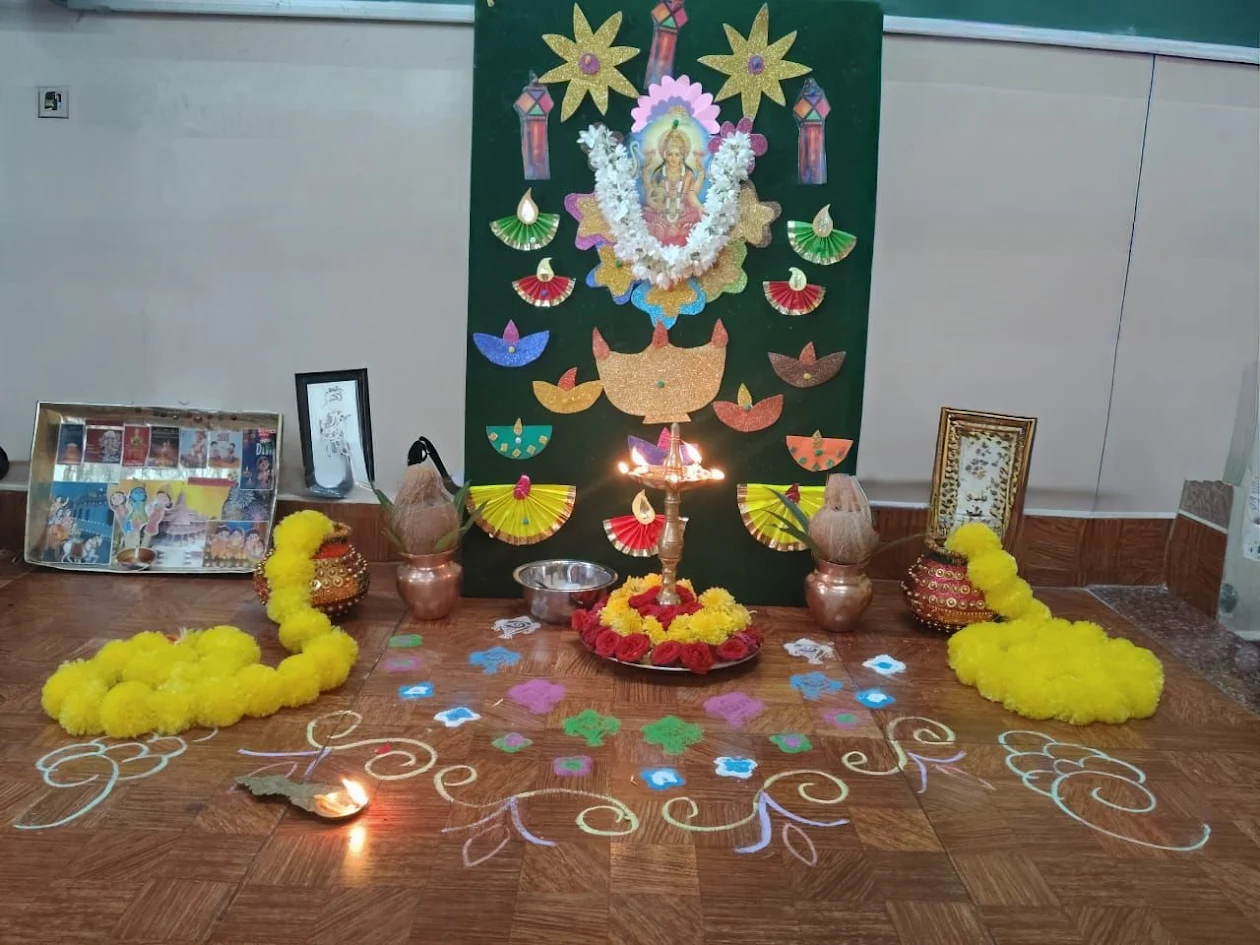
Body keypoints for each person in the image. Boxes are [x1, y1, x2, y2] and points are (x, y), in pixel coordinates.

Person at [641, 123, 704, 246]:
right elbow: (651, 195)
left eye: (677, 154)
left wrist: (701, 175)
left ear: (682, 156)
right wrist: (656, 206)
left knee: (696, 215)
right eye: (670, 154)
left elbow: (691, 194)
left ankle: (681, 234)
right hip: (662, 214)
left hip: (682, 214)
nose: (673, 158)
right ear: (665, 155)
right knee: (645, 214)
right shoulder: (659, 173)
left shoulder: (688, 174)